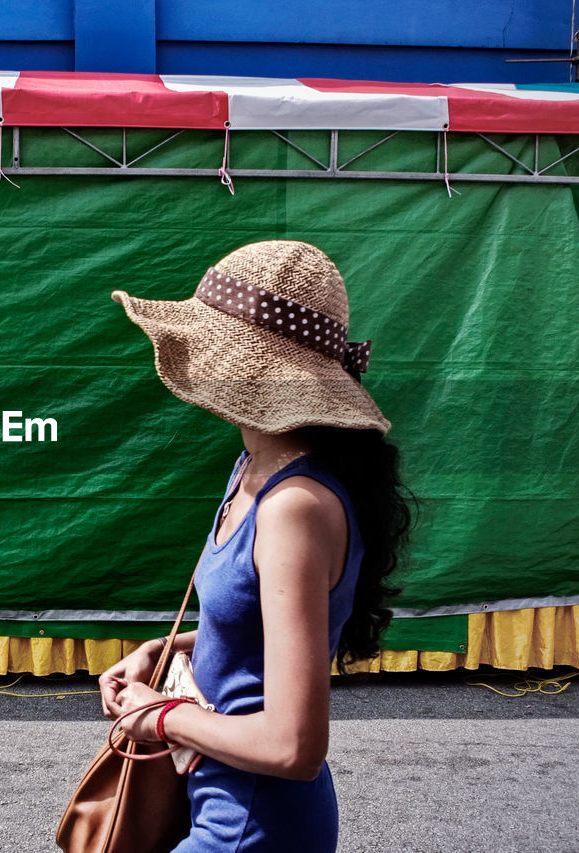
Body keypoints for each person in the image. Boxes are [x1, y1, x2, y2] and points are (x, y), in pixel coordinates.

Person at [99, 240, 413, 852]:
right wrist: (162, 649)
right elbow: (256, 631)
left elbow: (294, 747)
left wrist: (157, 713)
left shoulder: (293, 505)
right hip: (214, 804)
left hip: (250, 827)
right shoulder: (256, 463)